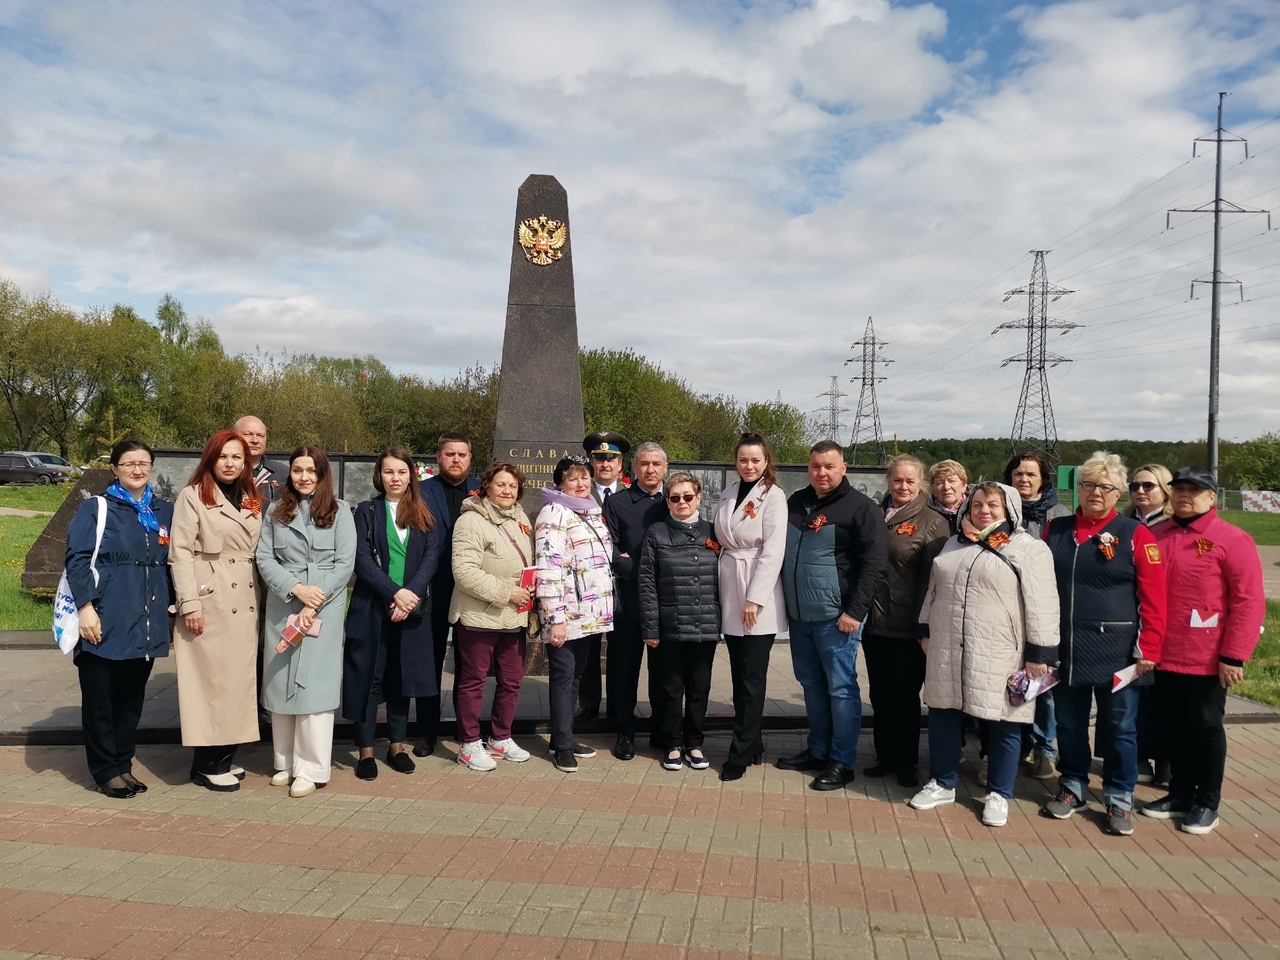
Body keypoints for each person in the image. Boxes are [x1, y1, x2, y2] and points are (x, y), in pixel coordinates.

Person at [910, 482, 1060, 827]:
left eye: (993, 505)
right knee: (944, 710)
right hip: (948, 644)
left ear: (1010, 509)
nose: (984, 511)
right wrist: (924, 628)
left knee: (1004, 718)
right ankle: (943, 783)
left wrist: (1040, 652)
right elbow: (934, 589)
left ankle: (998, 793)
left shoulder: (1028, 548)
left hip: (1000, 648)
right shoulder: (954, 542)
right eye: (977, 504)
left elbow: (1043, 604)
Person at [1041, 452, 1167, 836]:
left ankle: (1118, 795)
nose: (1096, 492)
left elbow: (1155, 597)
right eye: (1088, 484)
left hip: (1118, 651)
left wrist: (1150, 648)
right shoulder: (1055, 530)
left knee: (1119, 727)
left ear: (1117, 493)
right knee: (1069, 722)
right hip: (1066, 649)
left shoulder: (1136, 534)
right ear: (1077, 488)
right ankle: (1073, 784)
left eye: (1105, 487)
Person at [1143, 466, 1265, 835]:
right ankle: (1179, 793)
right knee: (1174, 727)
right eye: (1178, 489)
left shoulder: (1231, 539)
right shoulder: (1155, 536)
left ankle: (1207, 802)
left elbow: (1248, 601)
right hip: (1162, 654)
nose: (1184, 495)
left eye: (1194, 490)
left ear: (1212, 497)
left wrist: (1234, 654)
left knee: (1205, 728)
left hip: (1208, 658)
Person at [777, 440, 888, 791]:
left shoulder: (861, 508)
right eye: (815, 467)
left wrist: (855, 612)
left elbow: (875, 565)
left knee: (841, 689)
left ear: (843, 469)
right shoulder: (796, 503)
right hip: (800, 617)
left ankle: (842, 761)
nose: (821, 473)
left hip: (836, 619)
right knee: (812, 686)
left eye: (829, 467)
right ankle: (817, 749)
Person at [64, 440, 173, 799]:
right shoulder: (97, 508)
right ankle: (105, 769)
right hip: (105, 616)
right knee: (100, 699)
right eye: (129, 463)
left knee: (130, 699)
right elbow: (77, 560)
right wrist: (86, 608)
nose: (137, 470)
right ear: (114, 468)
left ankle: (123, 763)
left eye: (143, 463)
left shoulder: (162, 511)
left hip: (145, 619)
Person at [256, 446, 356, 797]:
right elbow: (264, 557)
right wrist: (294, 587)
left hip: (324, 605)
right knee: (280, 681)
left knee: (314, 685)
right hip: (285, 602)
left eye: (310, 470)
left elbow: (345, 563)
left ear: (322, 474)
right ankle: (284, 761)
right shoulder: (275, 511)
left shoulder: (340, 511)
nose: (303, 476)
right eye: (297, 470)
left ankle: (312, 767)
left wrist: (316, 597)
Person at [169, 430, 263, 792]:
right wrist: (190, 603)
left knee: (238, 683)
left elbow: (253, 542)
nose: (230, 463)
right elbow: (180, 553)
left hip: (246, 596)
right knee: (212, 683)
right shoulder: (191, 496)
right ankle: (209, 763)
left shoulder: (252, 497)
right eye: (223, 456)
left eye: (237, 457)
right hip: (212, 596)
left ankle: (219, 759)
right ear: (211, 458)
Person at [342, 447, 440, 781]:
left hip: (411, 611)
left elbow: (431, 556)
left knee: (402, 680)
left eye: (401, 472)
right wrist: (394, 592)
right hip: (373, 609)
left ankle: (396, 746)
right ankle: (366, 751)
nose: (395, 478)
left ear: (411, 475)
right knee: (369, 678)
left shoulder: (423, 512)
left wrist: (409, 594)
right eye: (388, 472)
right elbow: (361, 560)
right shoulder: (367, 511)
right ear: (379, 475)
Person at [862, 455, 949, 789]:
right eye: (897, 480)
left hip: (907, 625)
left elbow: (932, 580)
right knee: (880, 694)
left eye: (910, 481)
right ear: (888, 480)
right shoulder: (873, 514)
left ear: (920, 483)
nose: (902, 486)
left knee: (905, 697)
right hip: (873, 622)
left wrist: (923, 626)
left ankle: (907, 762)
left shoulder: (932, 522)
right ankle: (884, 756)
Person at [450, 462, 535, 772]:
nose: (506, 490)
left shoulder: (521, 517)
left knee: (511, 681)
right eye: (500, 484)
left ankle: (500, 738)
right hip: (479, 616)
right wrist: (506, 592)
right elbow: (464, 572)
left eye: (512, 486)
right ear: (486, 487)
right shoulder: (471, 521)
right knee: (473, 682)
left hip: (514, 617)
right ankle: (469, 744)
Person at [713, 432, 787, 782]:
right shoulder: (728, 494)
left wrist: (754, 598)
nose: (749, 465)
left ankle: (739, 754)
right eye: (743, 459)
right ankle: (753, 742)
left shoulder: (774, 496)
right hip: (731, 588)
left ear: (766, 461)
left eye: (755, 459)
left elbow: (773, 551)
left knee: (752, 680)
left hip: (757, 593)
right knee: (739, 675)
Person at [535, 455, 615, 772]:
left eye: (584, 477)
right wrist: (555, 618)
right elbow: (548, 567)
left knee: (576, 678)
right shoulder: (553, 513)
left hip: (589, 613)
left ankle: (563, 736)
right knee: (563, 677)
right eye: (573, 478)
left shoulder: (590, 512)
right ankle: (562, 746)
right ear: (560, 483)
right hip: (565, 614)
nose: (580, 483)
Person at [639, 472, 721, 771]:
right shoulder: (657, 533)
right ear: (667, 501)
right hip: (669, 627)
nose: (682, 502)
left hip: (705, 624)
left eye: (688, 496)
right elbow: (647, 583)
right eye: (675, 497)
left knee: (699, 688)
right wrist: (650, 627)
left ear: (698, 498)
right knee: (670, 689)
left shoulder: (713, 532)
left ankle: (695, 743)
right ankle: (672, 743)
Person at [1004, 451, 1071, 780]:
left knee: (1043, 683)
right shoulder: (1000, 511)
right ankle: (1017, 745)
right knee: (1011, 682)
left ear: (1044, 479)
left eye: (1031, 474)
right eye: (1018, 474)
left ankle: (1046, 748)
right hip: (1007, 611)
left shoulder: (1059, 516)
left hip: (1046, 608)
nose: (1024, 479)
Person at [415, 433, 481, 757]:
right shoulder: (421, 491)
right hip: (434, 588)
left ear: (471, 458)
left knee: (469, 665)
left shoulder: (484, 490)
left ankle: (465, 730)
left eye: (462, 454)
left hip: (473, 591)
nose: (456, 459)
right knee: (431, 661)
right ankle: (427, 732)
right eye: (450, 454)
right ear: (438, 457)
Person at [603, 441, 670, 761]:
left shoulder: (676, 500)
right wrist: (635, 567)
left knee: (664, 669)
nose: (651, 469)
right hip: (629, 597)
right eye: (644, 463)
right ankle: (625, 732)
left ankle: (661, 729)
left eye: (657, 464)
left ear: (665, 468)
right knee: (625, 667)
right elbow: (610, 548)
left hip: (667, 597)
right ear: (633, 467)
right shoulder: (617, 502)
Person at [1126, 462, 1175, 786]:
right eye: (1135, 486)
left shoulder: (1174, 527)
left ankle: (1168, 765)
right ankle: (1139, 757)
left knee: (1166, 701)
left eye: (1149, 485)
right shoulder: (1125, 525)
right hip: (1132, 623)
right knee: (1135, 700)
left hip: (1169, 624)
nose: (1141, 491)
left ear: (1165, 490)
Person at [578, 429, 630, 722]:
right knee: (589, 646)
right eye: (599, 458)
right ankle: (588, 702)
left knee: (620, 648)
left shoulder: (631, 495)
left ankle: (617, 704)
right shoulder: (580, 495)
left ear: (621, 463)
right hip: (590, 582)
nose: (605, 464)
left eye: (611, 458)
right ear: (592, 462)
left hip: (622, 582)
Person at [233, 415, 288, 503]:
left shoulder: (284, 474)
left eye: (260, 435)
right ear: (234, 437)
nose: (255, 440)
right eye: (248, 434)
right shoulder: (222, 472)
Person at [927, 459, 968, 534]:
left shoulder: (975, 510)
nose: (946, 487)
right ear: (933, 489)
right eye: (940, 482)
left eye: (951, 481)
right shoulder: (924, 514)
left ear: (964, 486)